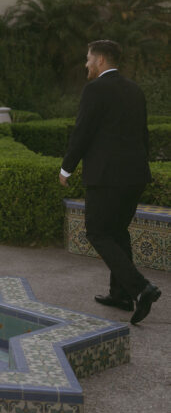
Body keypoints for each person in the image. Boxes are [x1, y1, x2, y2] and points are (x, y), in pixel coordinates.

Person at [59, 39, 161, 325]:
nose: (86, 64)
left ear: (101, 60)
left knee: (98, 232)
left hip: (106, 177)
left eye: (88, 59)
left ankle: (141, 288)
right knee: (117, 231)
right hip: (135, 175)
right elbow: (143, 136)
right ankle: (121, 294)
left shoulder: (95, 89)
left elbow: (83, 131)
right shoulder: (135, 90)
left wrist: (67, 168)